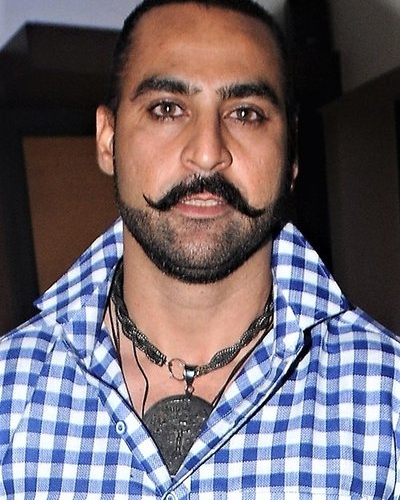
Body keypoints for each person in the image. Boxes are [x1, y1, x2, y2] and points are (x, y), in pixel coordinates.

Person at [1, 0, 400, 497]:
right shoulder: (9, 391)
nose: (208, 152)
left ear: (291, 153)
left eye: (245, 113)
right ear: (107, 139)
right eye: (167, 109)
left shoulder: (388, 401)